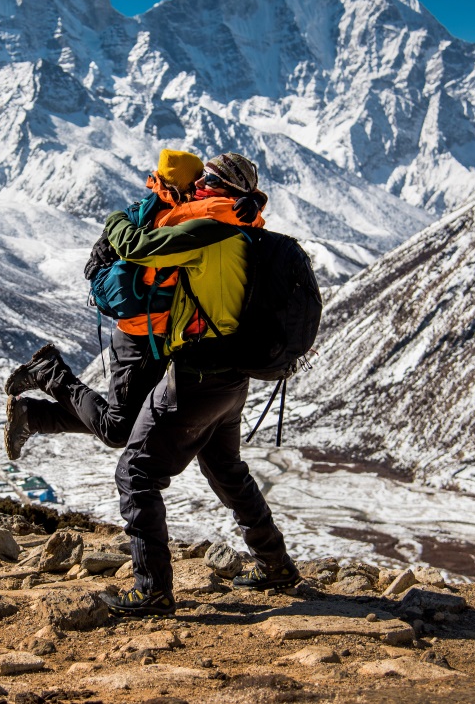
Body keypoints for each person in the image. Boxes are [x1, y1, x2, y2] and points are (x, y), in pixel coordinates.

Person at [97, 152, 298, 618]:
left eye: (206, 180)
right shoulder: (249, 227)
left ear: (217, 186)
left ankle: (152, 590)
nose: (199, 186)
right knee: (226, 469)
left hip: (197, 375)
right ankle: (276, 565)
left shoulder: (206, 231)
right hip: (233, 378)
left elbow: (136, 246)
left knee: (136, 472)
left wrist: (116, 217)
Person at [3, 150, 262, 459]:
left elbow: (234, 218)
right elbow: (145, 244)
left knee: (130, 424)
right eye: (201, 177)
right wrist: (249, 205)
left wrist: (253, 202)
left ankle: (31, 416)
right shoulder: (181, 215)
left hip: (159, 336)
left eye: (211, 180)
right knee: (118, 430)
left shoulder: (195, 208)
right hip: (140, 333)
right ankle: (48, 374)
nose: (202, 183)